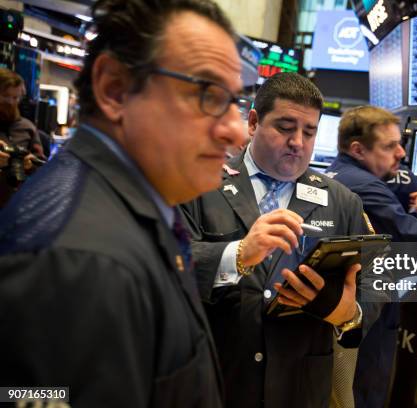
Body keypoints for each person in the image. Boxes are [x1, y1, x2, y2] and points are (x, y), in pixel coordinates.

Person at [0, 0, 247, 406]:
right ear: (115, 89)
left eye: (236, 101)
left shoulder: (133, 211)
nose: (236, 131)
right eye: (207, 93)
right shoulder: (79, 264)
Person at [180, 72, 380, 408]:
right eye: (285, 128)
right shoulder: (199, 184)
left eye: (309, 132)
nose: (298, 142)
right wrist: (238, 253)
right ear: (254, 122)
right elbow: (167, 264)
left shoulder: (343, 201)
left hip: (299, 387)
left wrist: (351, 314)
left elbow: (374, 289)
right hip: (217, 380)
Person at [326, 105, 417, 407]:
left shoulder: (335, 173)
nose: (401, 153)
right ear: (358, 149)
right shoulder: (366, 187)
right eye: (389, 146)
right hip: (364, 323)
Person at [0, 68, 45, 207]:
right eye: (6, 96)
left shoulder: (28, 128)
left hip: (15, 207)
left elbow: (43, 168)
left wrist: (31, 165)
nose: (11, 103)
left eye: (16, 98)